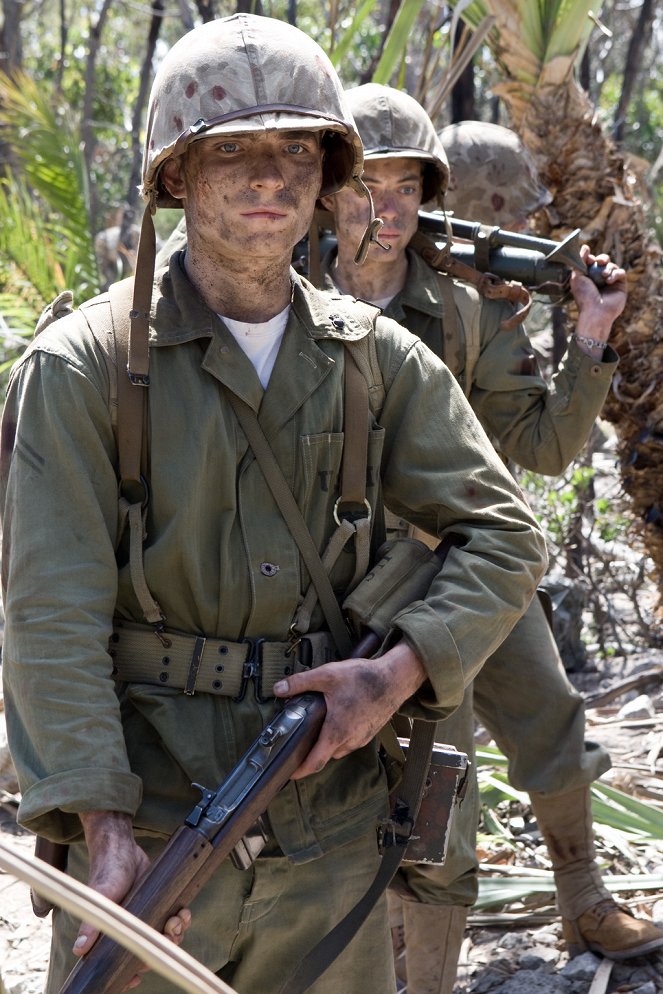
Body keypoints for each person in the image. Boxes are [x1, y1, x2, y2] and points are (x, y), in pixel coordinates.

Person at [0, 17, 548, 994]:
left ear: (327, 170)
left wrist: (396, 672)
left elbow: (505, 537)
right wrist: (105, 832)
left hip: (330, 826)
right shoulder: (81, 369)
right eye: (232, 151)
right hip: (156, 831)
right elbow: (51, 613)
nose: (269, 175)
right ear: (175, 176)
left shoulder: (377, 360)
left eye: (296, 147)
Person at [318, 84, 663, 992]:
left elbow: (544, 447)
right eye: (364, 186)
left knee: (550, 720)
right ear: (327, 191)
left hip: (469, 563)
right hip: (351, 588)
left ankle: (583, 895)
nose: (384, 210)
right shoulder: (285, 300)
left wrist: (589, 336)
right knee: (434, 788)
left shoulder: (468, 312)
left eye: (404, 188)